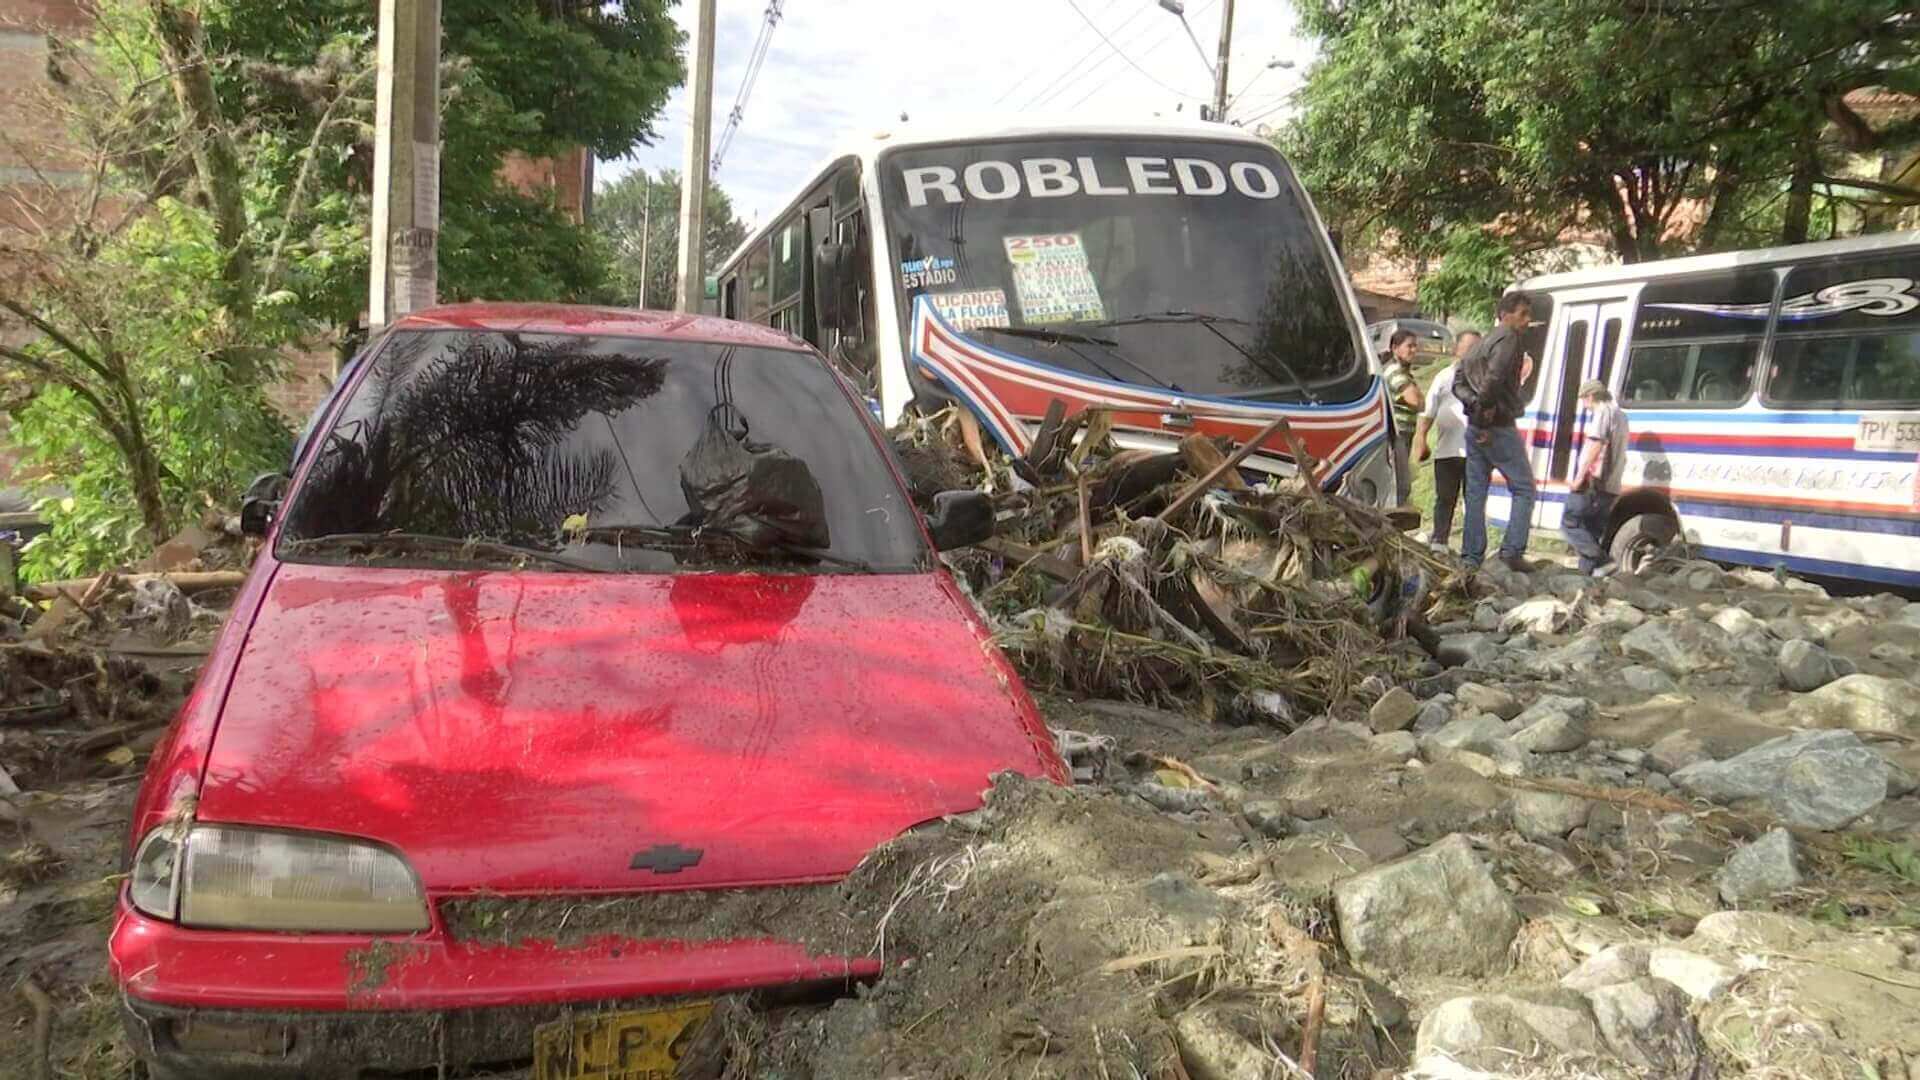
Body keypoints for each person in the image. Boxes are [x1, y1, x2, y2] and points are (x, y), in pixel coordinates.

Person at [1458, 293, 1538, 572]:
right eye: (1523, 314)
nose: (1527, 321)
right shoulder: (1508, 339)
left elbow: (1458, 382)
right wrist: (1485, 412)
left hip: (1475, 427)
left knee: (1476, 492)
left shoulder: (1479, 344)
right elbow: (1494, 377)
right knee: (1524, 488)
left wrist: (1474, 408)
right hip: (1498, 427)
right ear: (1506, 314)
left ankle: (1470, 556)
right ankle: (1512, 551)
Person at [1411, 330, 1479, 550]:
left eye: (1476, 348)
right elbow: (1428, 412)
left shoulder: (1485, 379)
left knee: (1475, 502)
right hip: (1447, 451)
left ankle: (1472, 549)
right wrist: (1421, 438)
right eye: (1468, 348)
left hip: (1476, 452)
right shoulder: (1444, 377)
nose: (1471, 353)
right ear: (1455, 350)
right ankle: (1440, 541)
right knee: (1445, 498)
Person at [1562, 379, 1629, 576]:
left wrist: (1579, 477)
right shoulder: (1621, 415)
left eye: (1583, 400)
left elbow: (1595, 445)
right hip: (1612, 484)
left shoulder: (1602, 413)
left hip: (1593, 482)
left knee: (1570, 522)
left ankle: (1602, 559)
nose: (1584, 406)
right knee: (1591, 530)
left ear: (1590, 396)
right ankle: (1586, 576)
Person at [1384, 329, 1425, 506]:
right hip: (1397, 435)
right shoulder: (1395, 372)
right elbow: (1417, 401)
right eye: (1409, 346)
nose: (1414, 350)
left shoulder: (1404, 373)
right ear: (1395, 348)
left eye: (1415, 346)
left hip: (1405, 434)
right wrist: (1419, 397)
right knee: (1401, 485)